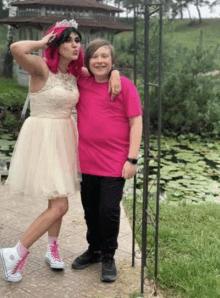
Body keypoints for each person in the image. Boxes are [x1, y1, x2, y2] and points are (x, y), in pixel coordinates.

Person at [0, 20, 120, 283]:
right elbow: (17, 48)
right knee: (61, 205)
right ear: (56, 43)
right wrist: (43, 43)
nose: (76, 45)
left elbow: (102, 70)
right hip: (43, 137)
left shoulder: (74, 74)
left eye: (78, 40)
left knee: (57, 197)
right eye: (69, 40)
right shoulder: (40, 68)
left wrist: (115, 72)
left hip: (65, 136)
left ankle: (52, 249)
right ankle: (15, 253)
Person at [72, 38, 143, 282]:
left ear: (112, 61)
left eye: (105, 56)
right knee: (90, 210)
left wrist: (132, 159)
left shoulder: (124, 85)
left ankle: (108, 256)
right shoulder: (82, 81)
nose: (100, 60)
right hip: (87, 159)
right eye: (95, 56)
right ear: (88, 61)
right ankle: (94, 250)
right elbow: (66, 62)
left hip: (115, 162)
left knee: (109, 211)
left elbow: (136, 122)